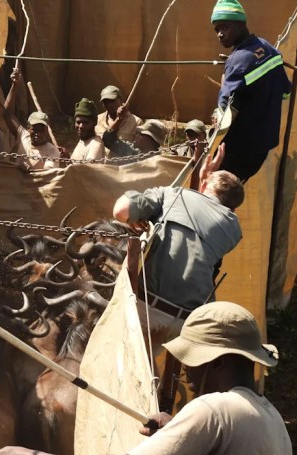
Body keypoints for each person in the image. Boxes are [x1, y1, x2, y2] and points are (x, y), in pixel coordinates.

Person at [0, 301, 292, 455]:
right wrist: (176, 429)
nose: (188, 377)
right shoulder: (273, 420)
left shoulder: (214, 410)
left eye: (193, 365)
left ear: (218, 363)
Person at [113, 167, 244, 314]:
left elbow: (121, 210)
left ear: (205, 186)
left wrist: (135, 218)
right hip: (191, 320)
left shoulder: (173, 195)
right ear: (233, 209)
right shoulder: (233, 230)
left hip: (147, 309)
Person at [211, 0, 292, 182]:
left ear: (241, 24)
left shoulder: (238, 61)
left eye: (225, 27)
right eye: (216, 29)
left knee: (216, 197)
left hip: (238, 151)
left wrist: (226, 79)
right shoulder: (268, 48)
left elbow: (225, 114)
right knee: (232, 192)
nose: (220, 34)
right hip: (261, 148)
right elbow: (286, 92)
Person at [3, 70, 60, 170]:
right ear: (28, 128)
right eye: (35, 129)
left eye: (41, 130)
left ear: (47, 131)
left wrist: (30, 171)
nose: (37, 133)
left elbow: (48, 174)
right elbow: (7, 113)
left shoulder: (52, 151)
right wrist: (14, 85)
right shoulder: (23, 137)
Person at [103, 119, 168, 162]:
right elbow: (108, 139)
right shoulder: (131, 152)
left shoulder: (160, 161)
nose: (135, 135)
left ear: (150, 139)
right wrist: (119, 118)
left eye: (140, 133)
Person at [64, 98, 105, 162]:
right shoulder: (83, 140)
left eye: (85, 123)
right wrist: (66, 158)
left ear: (95, 123)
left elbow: (87, 170)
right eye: (78, 122)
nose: (81, 126)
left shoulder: (95, 145)